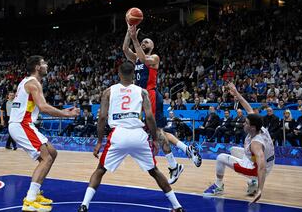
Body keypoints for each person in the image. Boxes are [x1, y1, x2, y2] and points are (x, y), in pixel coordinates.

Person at [77, 62, 184, 212]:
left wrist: (99, 141)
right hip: (138, 135)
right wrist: (154, 139)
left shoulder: (108, 91)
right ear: (134, 75)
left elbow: (101, 118)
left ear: (119, 74)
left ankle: (84, 205)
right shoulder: (142, 92)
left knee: (100, 170)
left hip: (118, 134)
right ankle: (177, 206)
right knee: (154, 171)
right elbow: (150, 118)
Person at [123, 23, 201, 185]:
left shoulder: (154, 58)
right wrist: (129, 33)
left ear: (153, 46)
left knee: (157, 133)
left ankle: (174, 165)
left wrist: (136, 39)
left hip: (151, 95)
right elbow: (125, 49)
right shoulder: (137, 58)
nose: (144, 43)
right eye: (142, 41)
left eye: (147, 42)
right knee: (159, 132)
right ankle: (186, 150)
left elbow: (144, 59)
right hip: (141, 98)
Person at [9, 56, 80, 212]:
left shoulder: (26, 81)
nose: (47, 65)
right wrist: (66, 114)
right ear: (37, 67)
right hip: (22, 124)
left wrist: (61, 111)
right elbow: (43, 107)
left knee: (52, 153)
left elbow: (42, 106)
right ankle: (30, 200)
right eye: (43, 63)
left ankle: (36, 192)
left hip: (24, 124)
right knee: (46, 158)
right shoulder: (34, 83)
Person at [204, 83, 275, 204]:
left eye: (246, 123)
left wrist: (260, 190)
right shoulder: (260, 126)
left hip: (256, 169)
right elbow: (248, 107)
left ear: (252, 127)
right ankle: (252, 182)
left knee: (221, 158)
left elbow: (262, 167)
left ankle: (219, 186)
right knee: (233, 150)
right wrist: (236, 93)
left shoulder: (256, 143)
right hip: (269, 162)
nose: (243, 124)